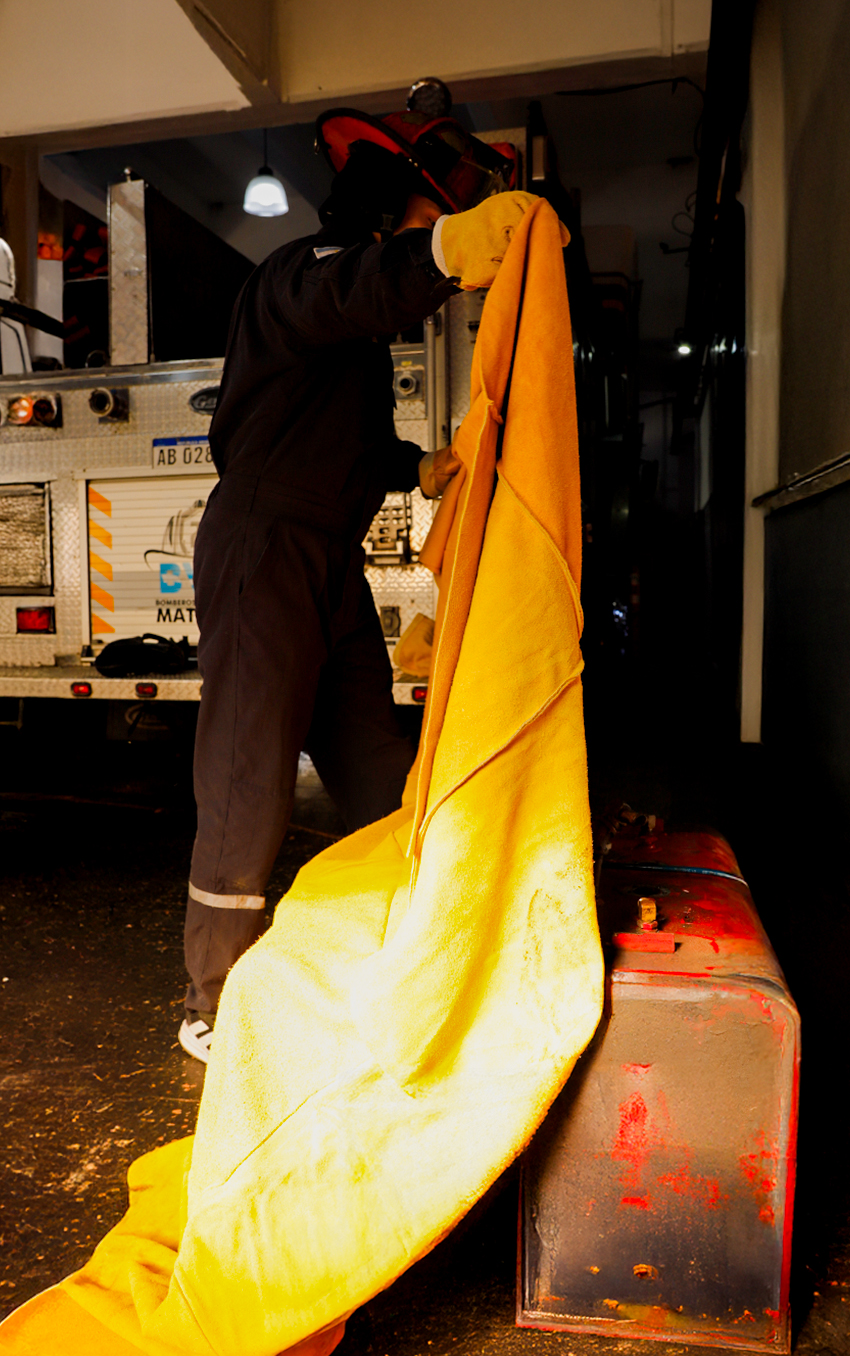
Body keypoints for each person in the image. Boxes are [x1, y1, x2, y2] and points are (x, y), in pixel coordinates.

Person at [178, 79, 542, 1062]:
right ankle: (213, 1002)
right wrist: (446, 252)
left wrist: (417, 466)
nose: (434, 238)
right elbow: (360, 285)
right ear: (384, 215)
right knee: (251, 771)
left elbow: (347, 437)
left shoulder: (353, 343)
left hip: (328, 559)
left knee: (377, 759)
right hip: (264, 549)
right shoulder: (303, 275)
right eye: (427, 219)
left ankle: (417, 934)